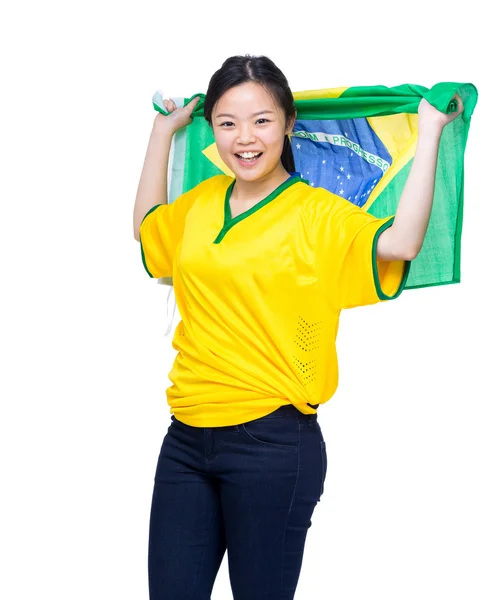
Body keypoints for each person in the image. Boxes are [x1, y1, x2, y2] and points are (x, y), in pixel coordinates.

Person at [133, 54, 464, 600]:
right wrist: (162, 132)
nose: (245, 138)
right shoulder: (199, 204)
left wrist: (428, 132)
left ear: (289, 123)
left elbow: (400, 243)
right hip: (186, 441)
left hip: (272, 445)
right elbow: (149, 231)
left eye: (262, 120)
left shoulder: (317, 213)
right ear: (211, 128)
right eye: (227, 122)